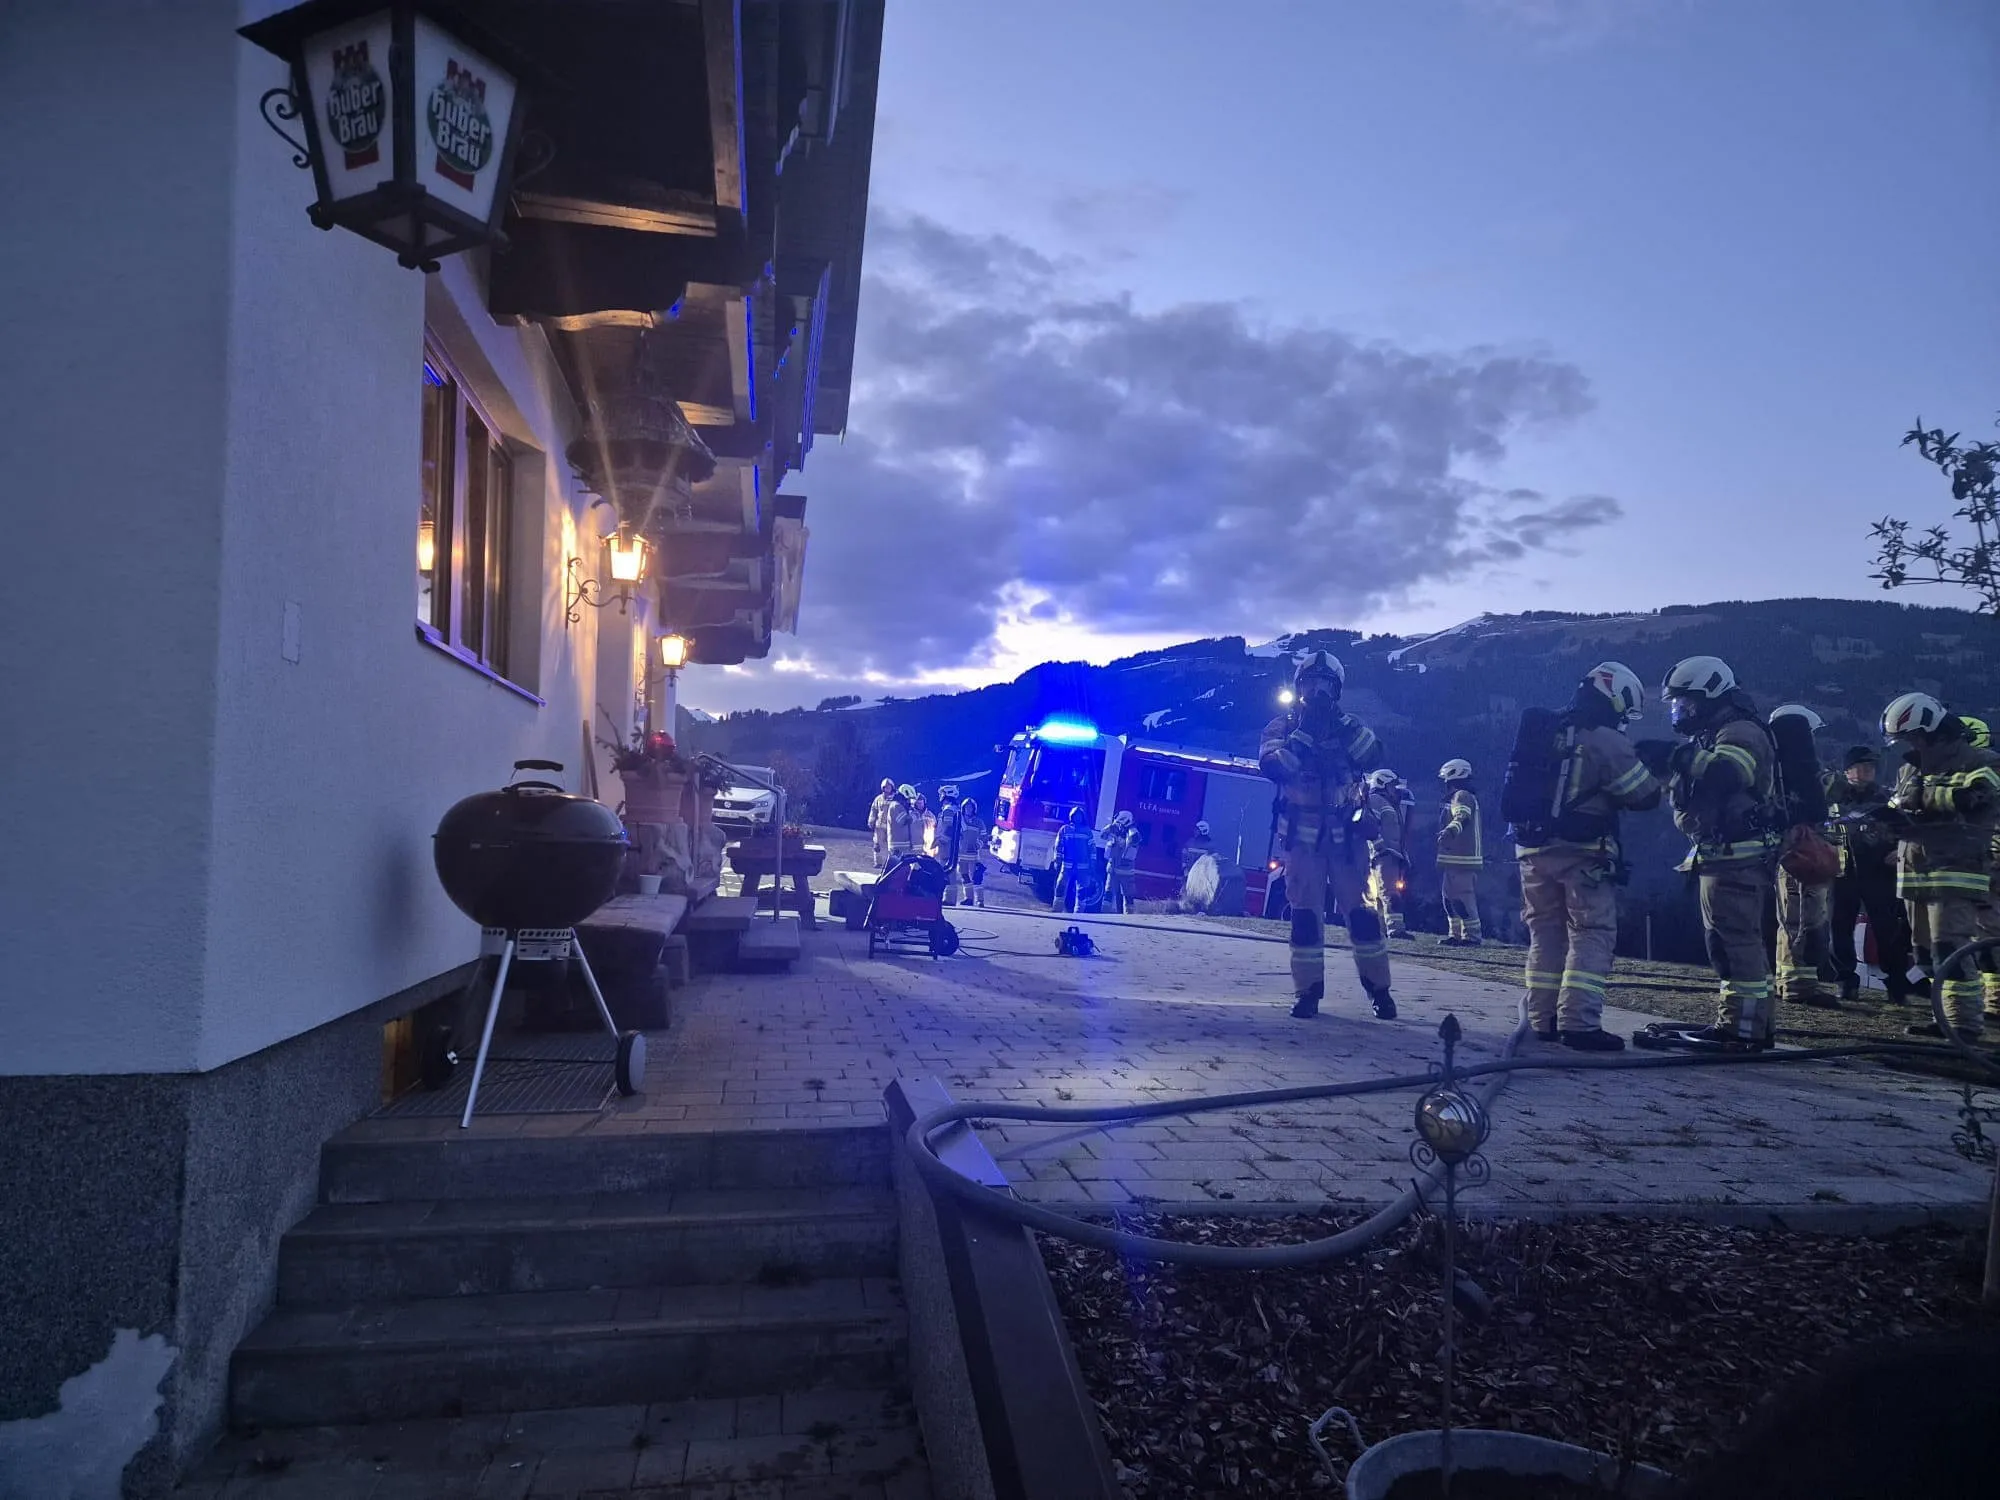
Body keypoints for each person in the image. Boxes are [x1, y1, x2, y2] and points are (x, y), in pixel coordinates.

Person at [1514, 663, 1661, 1052]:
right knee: (1591, 932)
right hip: (1582, 854)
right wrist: (1652, 763)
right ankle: (1579, 1024)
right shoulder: (1604, 738)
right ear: (1616, 697)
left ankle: (1542, 1020)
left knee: (1545, 933)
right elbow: (1645, 795)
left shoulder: (1548, 731)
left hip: (1531, 851)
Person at [1648, 656, 1781, 1051]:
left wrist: (1680, 758)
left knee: (1735, 945)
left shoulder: (1740, 731)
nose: (1680, 710)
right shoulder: (1712, 735)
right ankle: (1748, 1024)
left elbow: (1729, 774)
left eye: (1685, 702)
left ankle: (1741, 1030)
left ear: (1710, 696)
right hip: (1720, 857)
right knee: (1729, 944)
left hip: (1736, 859)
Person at [1258, 650, 1397, 1020]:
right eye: (1310, 684)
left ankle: (1380, 991)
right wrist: (1304, 735)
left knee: (1363, 918)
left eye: (1325, 686)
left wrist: (1340, 727)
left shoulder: (1349, 727)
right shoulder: (1282, 728)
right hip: (1303, 843)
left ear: (1336, 691)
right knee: (1305, 918)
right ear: (1299, 687)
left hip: (1348, 840)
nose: (1317, 692)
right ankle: (1307, 994)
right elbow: (1273, 767)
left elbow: (1373, 755)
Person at [1878, 692, 2000, 1043]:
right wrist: (1886, 822)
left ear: (1931, 730)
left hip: (1956, 870)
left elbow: (1976, 797)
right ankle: (1943, 1017)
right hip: (1914, 870)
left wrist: (1921, 798)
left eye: (1912, 737)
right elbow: (1899, 806)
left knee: (1951, 949)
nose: (1908, 746)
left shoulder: (1981, 761)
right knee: (1924, 953)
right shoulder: (1908, 769)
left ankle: (1964, 1026)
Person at [1826, 745, 1915, 1005]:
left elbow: (1906, 829)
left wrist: (1898, 851)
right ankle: (1845, 982)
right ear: (1847, 771)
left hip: (1878, 872)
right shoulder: (1832, 799)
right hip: (1842, 873)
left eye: (1871, 767)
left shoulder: (1886, 799)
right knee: (1839, 929)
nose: (1868, 771)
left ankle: (1896, 985)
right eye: (1861, 766)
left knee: (1887, 930)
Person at [1767, 704, 1838, 1010]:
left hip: (1788, 852)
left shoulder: (1774, 767)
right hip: (1803, 854)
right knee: (1804, 919)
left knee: (1789, 919)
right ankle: (1800, 987)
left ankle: (1788, 981)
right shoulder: (1798, 769)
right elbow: (1816, 805)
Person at [1435, 758, 1485, 946]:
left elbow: (1462, 816)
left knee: (1463, 897)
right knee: (1450, 898)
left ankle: (1472, 936)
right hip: (1454, 859)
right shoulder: (1460, 796)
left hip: (1462, 858)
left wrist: (1450, 831)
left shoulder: (1462, 796)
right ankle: (1455, 934)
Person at [1363, 769, 1411, 940]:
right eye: (1392, 786)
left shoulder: (1387, 803)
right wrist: (1379, 846)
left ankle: (1380, 929)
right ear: (1382, 783)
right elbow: (1369, 825)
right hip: (1383, 854)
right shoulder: (1376, 800)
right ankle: (1395, 929)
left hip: (1389, 854)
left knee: (1380, 894)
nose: (1395, 790)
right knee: (1389, 893)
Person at [1053, 806, 1097, 913]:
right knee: (1060, 888)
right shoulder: (1065, 829)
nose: (1078, 818)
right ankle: (1056, 911)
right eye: (1075, 816)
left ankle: (1078, 915)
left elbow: (1092, 849)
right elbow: (1058, 845)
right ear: (1071, 817)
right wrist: (1057, 859)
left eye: (1080, 816)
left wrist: (1092, 864)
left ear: (1083, 817)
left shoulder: (1087, 831)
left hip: (1083, 867)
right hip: (1066, 866)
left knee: (1082, 892)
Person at [1101, 810, 1139, 914]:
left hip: (1126, 872)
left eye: (1120, 823)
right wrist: (1110, 826)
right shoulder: (1114, 830)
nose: (1119, 825)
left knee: (1128, 896)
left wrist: (1129, 830)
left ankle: (1128, 918)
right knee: (1108, 894)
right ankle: (1103, 915)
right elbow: (1102, 835)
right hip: (1112, 870)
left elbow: (1134, 841)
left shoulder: (1134, 833)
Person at [933, 785, 965, 904]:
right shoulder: (955, 809)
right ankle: (950, 898)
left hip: (946, 847)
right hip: (952, 846)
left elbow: (948, 828)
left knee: (947, 872)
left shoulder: (948, 810)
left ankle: (949, 899)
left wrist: (941, 841)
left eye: (942, 794)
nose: (940, 797)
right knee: (951, 872)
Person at [956, 797, 989, 908]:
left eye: (970, 807)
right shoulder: (959, 820)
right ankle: (969, 899)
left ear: (974, 809)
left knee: (976, 877)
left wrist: (978, 845)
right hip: (961, 854)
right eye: (966, 807)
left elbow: (984, 836)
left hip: (973, 855)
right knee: (964, 876)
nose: (968, 809)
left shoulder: (978, 822)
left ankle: (980, 900)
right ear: (963, 808)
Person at [868, 778, 899, 869]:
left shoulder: (895, 799)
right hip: (880, 826)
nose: (887, 789)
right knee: (877, 845)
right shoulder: (878, 799)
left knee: (892, 847)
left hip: (892, 827)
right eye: (885, 787)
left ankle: (892, 864)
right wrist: (871, 821)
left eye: (889, 787)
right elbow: (873, 810)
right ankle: (878, 862)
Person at [888, 784, 919, 863]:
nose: (909, 802)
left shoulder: (900, 806)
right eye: (908, 799)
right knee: (898, 868)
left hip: (903, 845)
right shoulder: (896, 806)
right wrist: (914, 815)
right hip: (898, 846)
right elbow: (903, 821)